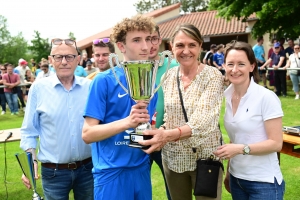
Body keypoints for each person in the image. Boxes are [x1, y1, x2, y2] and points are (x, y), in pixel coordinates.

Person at [140, 23, 224, 200]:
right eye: (180, 45)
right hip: (173, 159)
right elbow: (169, 118)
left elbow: (204, 121)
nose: (186, 51)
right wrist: (159, 131)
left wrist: (166, 135)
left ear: (200, 46)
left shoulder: (213, 75)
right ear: (172, 47)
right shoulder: (168, 77)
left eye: (192, 45)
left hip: (205, 159)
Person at [82, 15, 157, 200]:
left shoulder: (151, 80)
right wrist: (127, 122)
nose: (146, 46)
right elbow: (87, 134)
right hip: (111, 172)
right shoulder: (103, 80)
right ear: (121, 46)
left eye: (148, 39)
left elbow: (145, 127)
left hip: (141, 168)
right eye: (137, 40)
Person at [20, 38, 93, 200]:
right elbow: (28, 131)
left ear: (78, 60)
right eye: (59, 57)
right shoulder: (38, 88)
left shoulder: (89, 87)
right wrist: (29, 165)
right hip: (53, 172)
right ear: (51, 60)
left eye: (70, 57)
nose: (64, 62)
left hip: (88, 169)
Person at [214, 40, 285, 200]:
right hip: (237, 179)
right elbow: (236, 138)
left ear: (252, 66)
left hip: (263, 182)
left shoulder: (266, 97)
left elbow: (276, 143)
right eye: (230, 64)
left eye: (241, 64)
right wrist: (229, 173)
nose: (235, 69)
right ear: (224, 66)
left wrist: (240, 149)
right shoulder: (228, 96)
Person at [148, 25, 178, 200]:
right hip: (141, 139)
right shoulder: (132, 68)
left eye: (153, 39)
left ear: (160, 40)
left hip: (168, 138)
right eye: (145, 39)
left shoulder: (173, 66)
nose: (150, 44)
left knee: (173, 191)